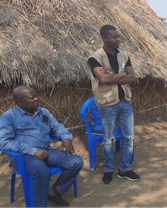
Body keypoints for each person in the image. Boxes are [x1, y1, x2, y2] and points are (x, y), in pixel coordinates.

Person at [0, 86, 83, 207]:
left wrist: (66, 137)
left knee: (76, 161)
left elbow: (57, 127)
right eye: (32, 98)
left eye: (36, 96)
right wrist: (32, 151)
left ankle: (54, 193)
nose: (36, 99)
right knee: (41, 171)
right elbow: (4, 141)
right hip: (23, 157)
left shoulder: (43, 112)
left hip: (46, 151)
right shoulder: (8, 117)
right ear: (20, 102)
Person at [87, 25, 138, 184]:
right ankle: (108, 170)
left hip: (125, 102)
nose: (118, 39)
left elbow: (132, 77)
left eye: (118, 36)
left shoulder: (124, 55)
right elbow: (103, 80)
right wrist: (123, 74)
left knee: (128, 137)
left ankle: (124, 169)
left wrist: (115, 76)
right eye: (114, 37)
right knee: (108, 139)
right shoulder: (95, 58)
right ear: (105, 38)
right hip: (107, 103)